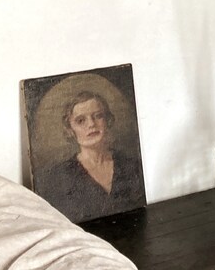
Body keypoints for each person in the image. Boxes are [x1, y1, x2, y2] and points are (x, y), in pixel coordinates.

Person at [35, 89, 145, 223]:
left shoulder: (131, 166)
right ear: (70, 130)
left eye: (98, 116)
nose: (91, 124)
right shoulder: (59, 177)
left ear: (108, 120)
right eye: (81, 120)